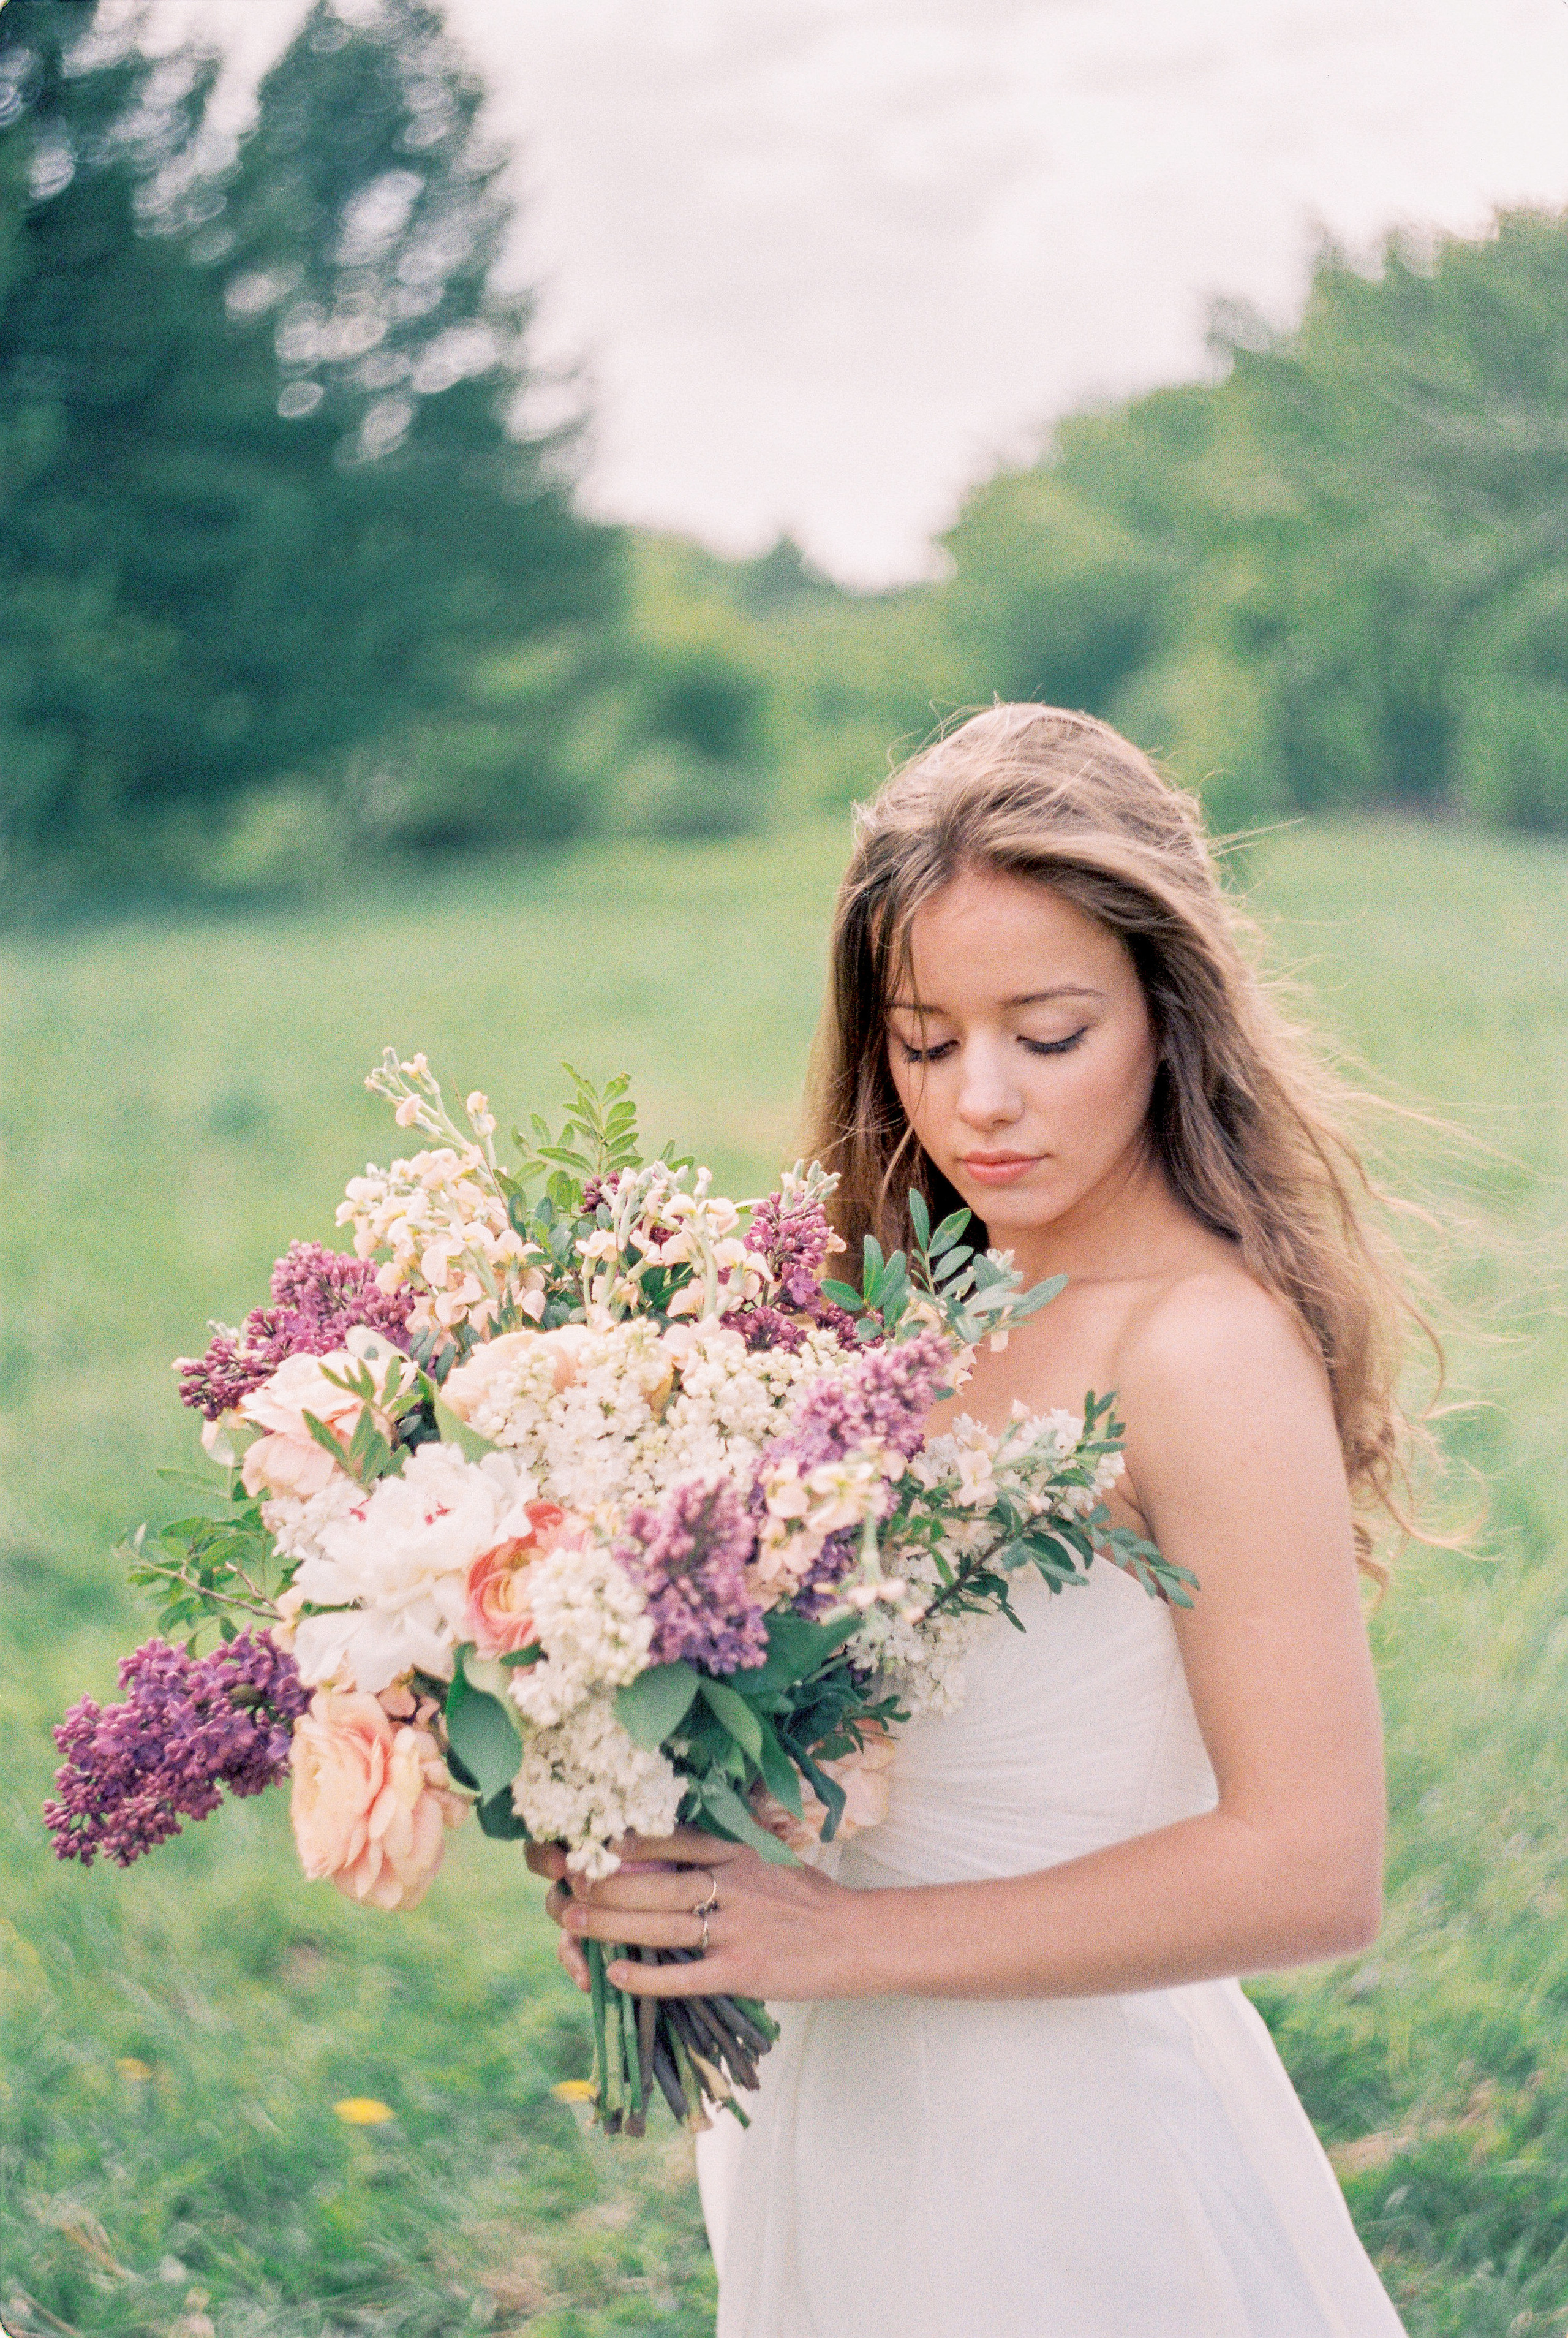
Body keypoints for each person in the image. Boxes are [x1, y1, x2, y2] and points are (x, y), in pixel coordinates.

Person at [527, 704, 1420, 2334]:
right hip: (831, 2111)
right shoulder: (913, 1305)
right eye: (925, 1042)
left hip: (1060, 2160)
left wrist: (838, 1940)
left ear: (1169, 1009)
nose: (982, 1103)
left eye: (1049, 1033)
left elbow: (1314, 1868)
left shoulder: (1201, 1349)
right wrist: (639, 1790)